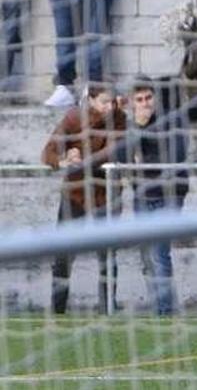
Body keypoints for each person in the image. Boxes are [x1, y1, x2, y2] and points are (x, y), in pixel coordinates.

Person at [41, 85, 126, 314]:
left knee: (107, 255)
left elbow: (110, 153)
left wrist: (78, 155)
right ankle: (57, 310)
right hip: (75, 195)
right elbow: (47, 152)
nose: (109, 107)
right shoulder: (73, 118)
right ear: (90, 100)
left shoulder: (119, 119)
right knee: (63, 257)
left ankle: (108, 308)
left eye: (112, 102)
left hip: (106, 195)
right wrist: (63, 160)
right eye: (104, 102)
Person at [116, 77, 189, 316]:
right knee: (147, 255)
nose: (145, 103)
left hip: (170, 193)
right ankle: (162, 305)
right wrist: (138, 129)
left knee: (159, 253)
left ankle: (164, 311)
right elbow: (123, 158)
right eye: (139, 100)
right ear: (132, 104)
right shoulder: (130, 126)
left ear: (155, 98)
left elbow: (173, 158)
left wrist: (143, 161)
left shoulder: (172, 120)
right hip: (142, 195)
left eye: (148, 98)